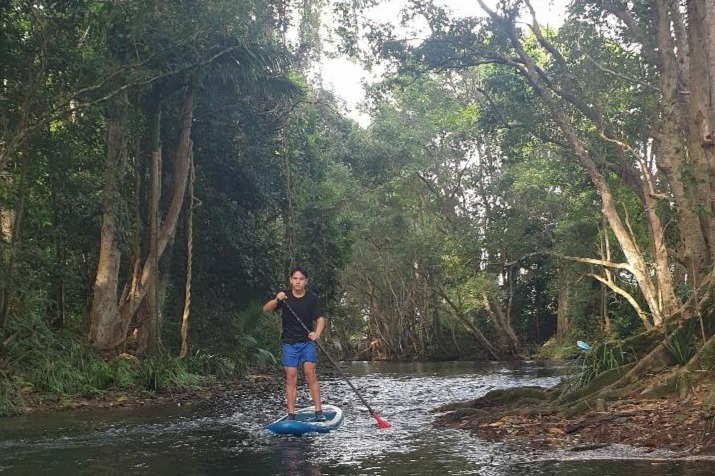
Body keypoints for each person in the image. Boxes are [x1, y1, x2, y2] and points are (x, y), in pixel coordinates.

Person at [263, 266, 326, 421]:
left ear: (306, 282)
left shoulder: (312, 299)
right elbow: (265, 309)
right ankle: (291, 414)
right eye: (295, 278)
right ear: (291, 280)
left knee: (310, 374)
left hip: (307, 342)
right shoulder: (284, 297)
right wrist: (277, 299)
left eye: (301, 279)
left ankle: (319, 412)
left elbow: (320, 319)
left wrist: (316, 333)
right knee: (291, 377)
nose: (298, 282)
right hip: (289, 343)